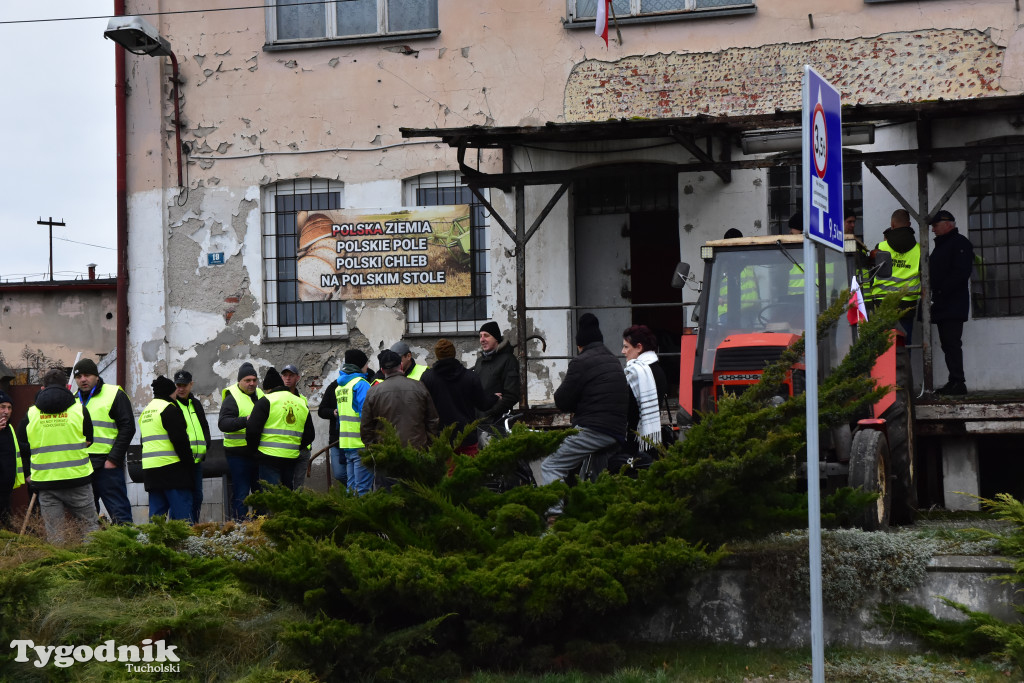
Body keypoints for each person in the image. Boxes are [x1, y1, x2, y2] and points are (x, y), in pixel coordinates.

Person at [540, 314, 629, 510]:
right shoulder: (613, 360)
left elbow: (562, 400)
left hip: (594, 429)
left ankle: (554, 518)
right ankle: (601, 517)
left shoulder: (581, 362)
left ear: (580, 344)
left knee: (551, 466)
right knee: (596, 478)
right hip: (616, 431)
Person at [19, 369, 98, 543]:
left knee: (55, 536)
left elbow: (21, 446)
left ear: (42, 388)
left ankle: (59, 568)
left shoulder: (31, 414)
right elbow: (89, 440)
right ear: (67, 387)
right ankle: (95, 567)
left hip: (46, 483)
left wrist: (29, 470)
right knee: (90, 529)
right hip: (78, 479)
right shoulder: (80, 410)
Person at [72, 358, 136, 525]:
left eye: (87, 375)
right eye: (78, 377)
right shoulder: (73, 400)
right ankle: (92, 549)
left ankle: (126, 545)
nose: (83, 380)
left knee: (119, 511)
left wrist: (113, 459)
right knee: (86, 516)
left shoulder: (114, 394)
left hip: (107, 464)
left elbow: (128, 427)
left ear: (97, 376)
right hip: (83, 466)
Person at [421, 338, 498, 456]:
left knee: (444, 473)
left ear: (437, 355)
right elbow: (483, 405)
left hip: (440, 438)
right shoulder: (470, 377)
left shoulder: (427, 378)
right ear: (454, 353)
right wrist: (495, 397)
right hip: (466, 437)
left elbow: (423, 408)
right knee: (468, 472)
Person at [609, 325, 668, 474]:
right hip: (651, 440)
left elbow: (627, 409)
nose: (623, 352)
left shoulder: (638, 373)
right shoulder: (658, 369)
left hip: (634, 443)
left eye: (626, 347)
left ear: (639, 347)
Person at [928, 210, 975, 395]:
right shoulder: (945, 245)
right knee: (947, 344)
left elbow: (960, 274)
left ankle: (958, 382)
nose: (933, 230)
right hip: (944, 303)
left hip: (952, 304)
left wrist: (940, 290)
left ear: (948, 224)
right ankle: (954, 380)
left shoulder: (959, 244)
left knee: (952, 343)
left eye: (935, 225)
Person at [247, 368, 314, 490]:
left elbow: (252, 430)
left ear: (268, 389)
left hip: (268, 456)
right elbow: (310, 434)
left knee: (272, 496)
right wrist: (294, 447)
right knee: (287, 495)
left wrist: (255, 452)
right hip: (291, 457)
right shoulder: (300, 402)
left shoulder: (266, 401)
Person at [140, 375, 195, 522]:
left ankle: (155, 544)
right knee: (182, 516)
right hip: (172, 470)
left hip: (151, 471)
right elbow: (180, 441)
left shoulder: (146, 411)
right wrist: (190, 464)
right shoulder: (169, 409)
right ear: (170, 393)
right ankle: (185, 545)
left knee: (157, 517)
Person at [360, 349, 440, 451]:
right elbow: (432, 420)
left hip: (387, 452)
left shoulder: (373, 392)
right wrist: (428, 446)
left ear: (382, 370)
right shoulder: (419, 386)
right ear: (401, 366)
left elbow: (366, 427)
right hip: (417, 450)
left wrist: (373, 450)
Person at [323, 350, 373, 495]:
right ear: (360, 365)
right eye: (366, 363)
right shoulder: (361, 384)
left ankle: (350, 516)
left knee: (351, 489)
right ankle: (361, 518)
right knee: (363, 490)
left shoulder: (341, 386)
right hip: (361, 443)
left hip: (346, 443)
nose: (367, 366)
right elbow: (367, 415)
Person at [869, 209, 921, 345]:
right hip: (908, 303)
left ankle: (887, 367)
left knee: (883, 346)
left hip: (882, 302)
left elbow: (872, 273)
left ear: (892, 225)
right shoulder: (919, 249)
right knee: (904, 344)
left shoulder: (880, 247)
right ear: (909, 224)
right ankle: (905, 366)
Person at [218, 362, 263, 520]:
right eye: (247, 380)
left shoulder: (261, 396)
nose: (252, 383)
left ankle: (260, 528)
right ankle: (241, 528)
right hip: (238, 455)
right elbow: (223, 424)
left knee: (260, 494)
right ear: (239, 382)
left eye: (254, 380)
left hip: (258, 454)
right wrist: (246, 420)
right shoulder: (232, 398)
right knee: (242, 494)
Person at [473, 321, 520, 446]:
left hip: (496, 424)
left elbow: (512, 395)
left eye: (486, 335)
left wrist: (489, 413)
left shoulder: (508, 360)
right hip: (477, 424)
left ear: (496, 339)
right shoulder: (480, 361)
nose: (482, 339)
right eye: (480, 336)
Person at [174, 370, 210, 523]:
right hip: (180, 461)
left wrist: (206, 445)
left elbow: (204, 427)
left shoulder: (195, 403)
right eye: (178, 385)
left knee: (197, 496)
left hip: (196, 461)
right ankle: (183, 529)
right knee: (183, 497)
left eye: (184, 385)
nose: (181, 389)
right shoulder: (172, 404)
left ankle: (194, 528)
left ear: (191, 385)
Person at [280, 364, 312, 489]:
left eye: (291, 375)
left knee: (299, 487)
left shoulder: (302, 399)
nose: (288, 378)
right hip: (285, 448)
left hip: (302, 449)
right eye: (285, 375)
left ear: (297, 377)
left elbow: (307, 424)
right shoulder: (277, 398)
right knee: (285, 485)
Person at [0, 390, 25, 529]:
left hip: (6, 486)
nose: (6, 411)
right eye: (2, 407)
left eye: (9, 408)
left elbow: (17, 448)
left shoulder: (9, 427)